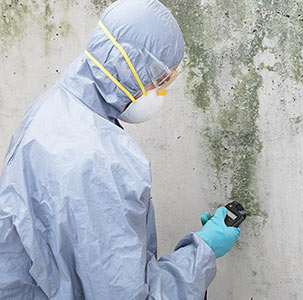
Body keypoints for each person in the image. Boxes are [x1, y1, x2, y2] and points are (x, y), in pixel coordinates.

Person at [0, 0, 240, 299]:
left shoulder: (52, 107)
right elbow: (125, 294)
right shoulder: (100, 160)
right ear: (129, 65)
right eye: (160, 79)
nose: (159, 91)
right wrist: (202, 251)